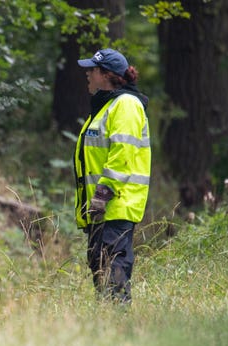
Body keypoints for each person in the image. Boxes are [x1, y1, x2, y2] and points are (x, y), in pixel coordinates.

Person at [73, 48, 151, 303]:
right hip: (102, 208)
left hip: (115, 205)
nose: (87, 74)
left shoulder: (126, 104)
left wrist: (102, 195)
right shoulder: (107, 105)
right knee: (100, 268)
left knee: (114, 271)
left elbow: (122, 155)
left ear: (105, 75)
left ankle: (119, 325)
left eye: (92, 70)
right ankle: (108, 326)